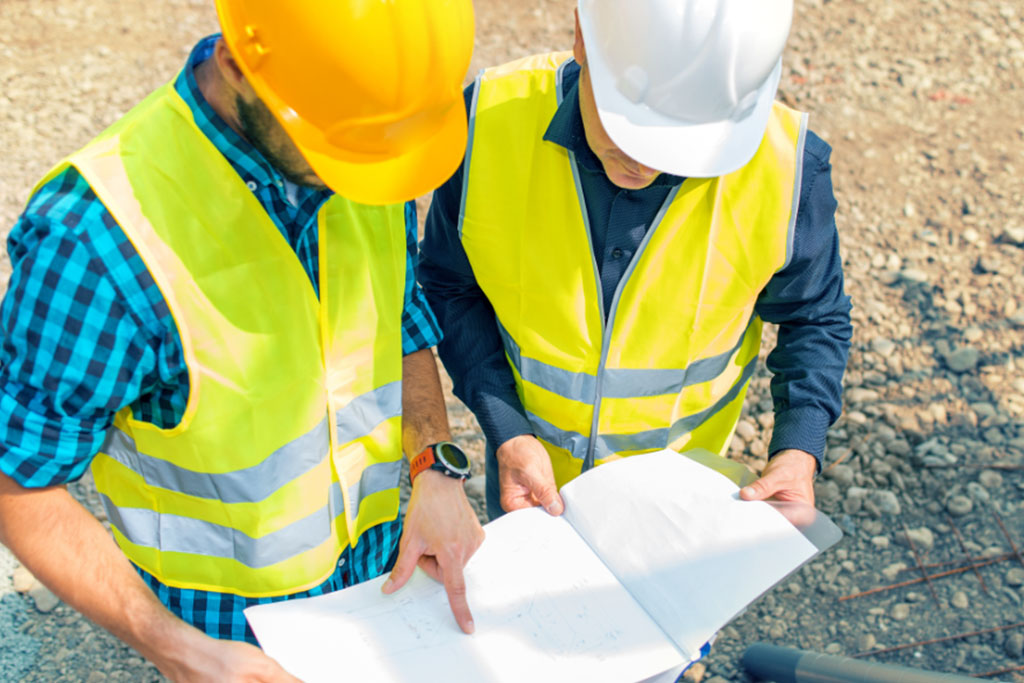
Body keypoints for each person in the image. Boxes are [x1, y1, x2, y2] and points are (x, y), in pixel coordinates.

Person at [0, 1, 482, 680]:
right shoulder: (95, 239)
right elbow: (18, 478)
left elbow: (399, 321)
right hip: (222, 639)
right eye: (335, 152)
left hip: (373, 597)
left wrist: (435, 466)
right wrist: (174, 647)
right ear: (235, 65)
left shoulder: (366, 138)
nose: (362, 177)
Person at [419, 0, 853, 524]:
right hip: (531, 486)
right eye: (631, 125)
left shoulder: (787, 168)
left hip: (685, 504)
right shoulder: (488, 121)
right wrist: (507, 429)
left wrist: (797, 447)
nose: (646, 160)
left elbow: (814, 317)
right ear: (582, 32)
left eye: (682, 139)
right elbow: (450, 287)